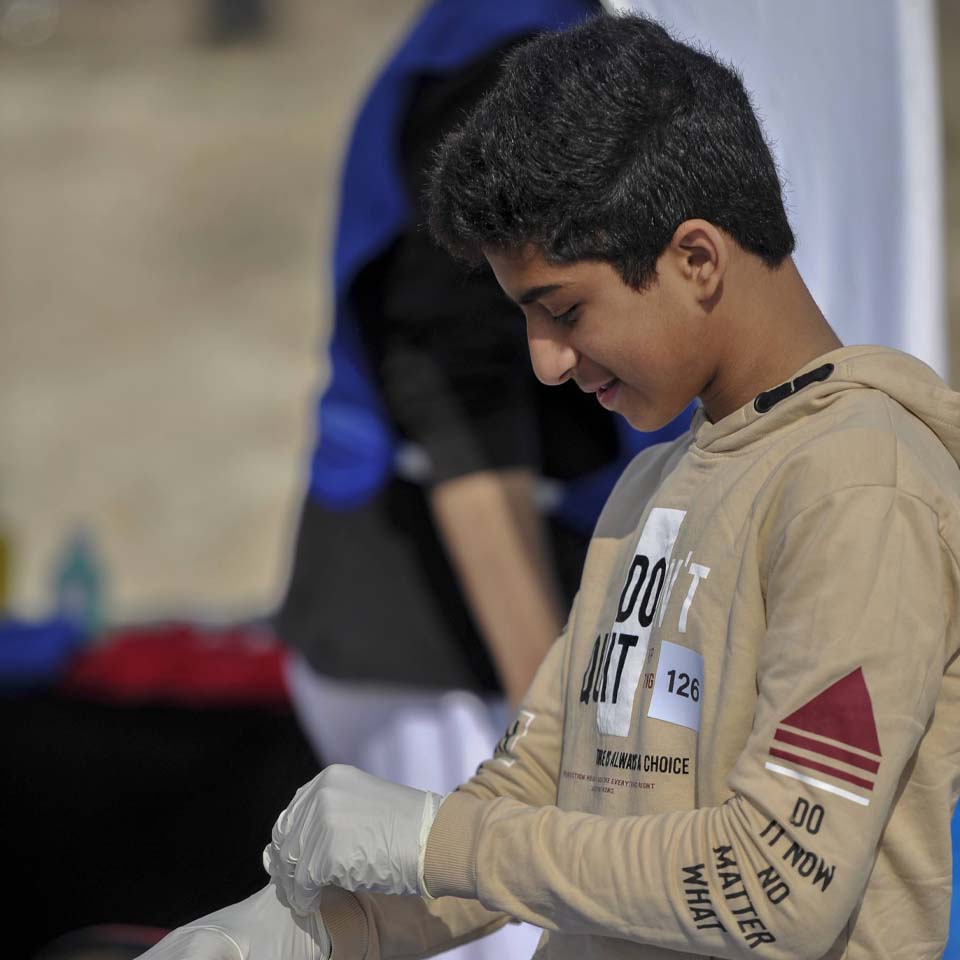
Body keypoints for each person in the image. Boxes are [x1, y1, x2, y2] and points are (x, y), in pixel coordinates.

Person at [140, 12, 960, 960]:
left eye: (563, 310)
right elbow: (542, 793)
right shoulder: (653, 483)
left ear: (697, 258)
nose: (545, 362)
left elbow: (774, 882)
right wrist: (329, 933)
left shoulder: (861, 486)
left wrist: (439, 839)